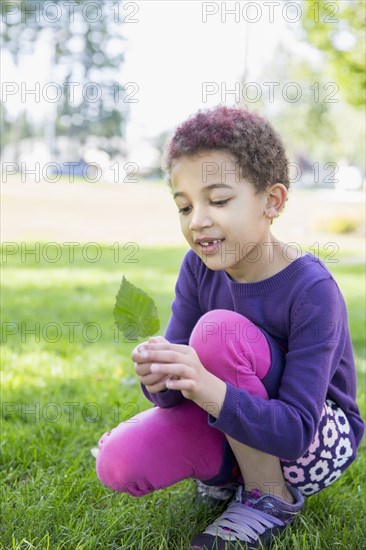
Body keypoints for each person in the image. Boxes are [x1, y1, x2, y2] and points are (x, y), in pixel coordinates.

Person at [95, 106, 364, 549]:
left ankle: (268, 496)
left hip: (310, 444)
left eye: (218, 200)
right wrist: (159, 375)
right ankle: (226, 477)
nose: (197, 219)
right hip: (225, 416)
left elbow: (297, 430)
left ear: (272, 202)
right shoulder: (198, 267)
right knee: (118, 461)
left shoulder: (312, 288)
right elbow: (175, 393)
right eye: (184, 206)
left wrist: (205, 385)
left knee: (219, 333)